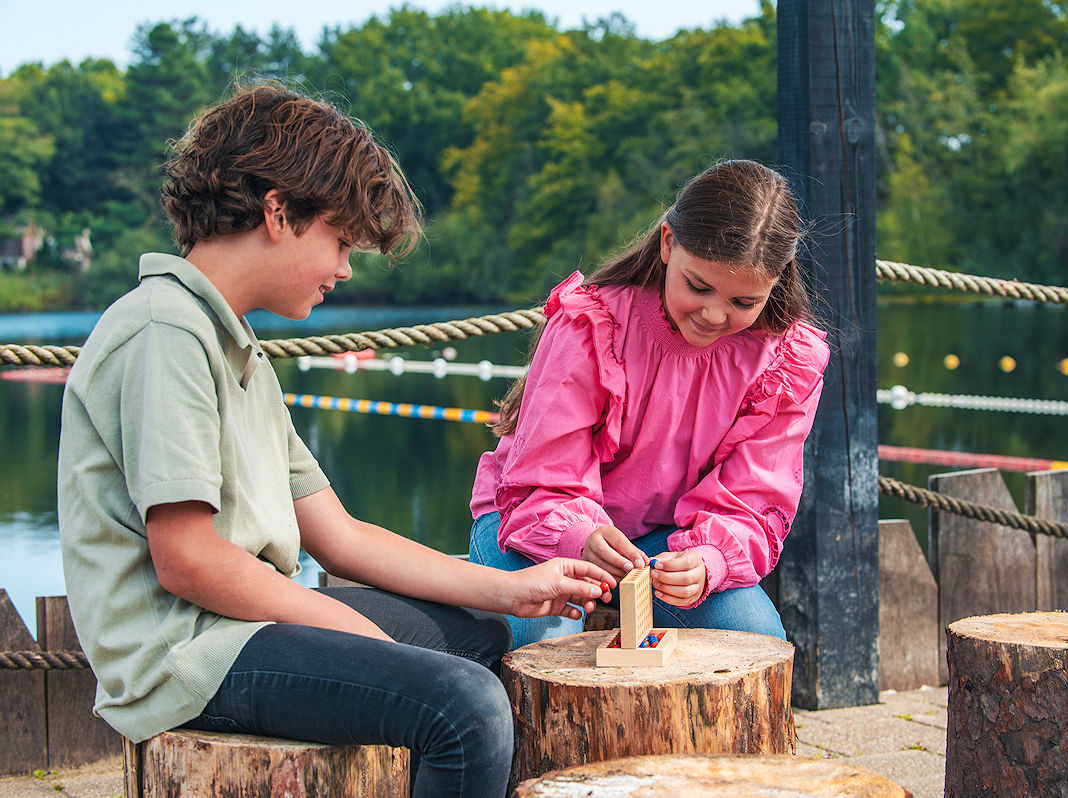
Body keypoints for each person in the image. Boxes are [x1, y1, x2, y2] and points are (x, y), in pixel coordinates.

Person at [57, 82, 612, 798]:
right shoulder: (166, 330)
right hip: (184, 655)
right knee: (466, 708)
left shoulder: (239, 351)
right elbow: (187, 560)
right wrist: (347, 627)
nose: (346, 269)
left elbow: (341, 537)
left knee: (484, 631)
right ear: (278, 212)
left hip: (238, 629)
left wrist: (510, 589)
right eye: (341, 240)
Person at [469, 159, 831, 650]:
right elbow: (540, 479)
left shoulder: (787, 360)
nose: (713, 314)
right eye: (698, 286)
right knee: (540, 635)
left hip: (664, 545)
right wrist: (580, 535)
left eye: (744, 302)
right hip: (535, 526)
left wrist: (709, 561)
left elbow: (755, 500)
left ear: (774, 281)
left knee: (751, 634)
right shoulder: (591, 324)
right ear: (667, 244)